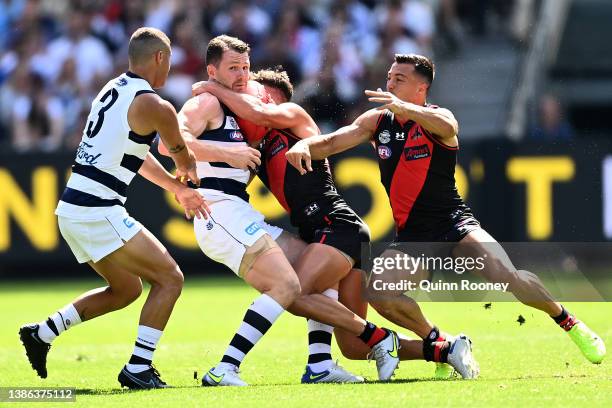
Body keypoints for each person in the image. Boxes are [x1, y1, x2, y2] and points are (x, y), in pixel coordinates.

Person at [285, 53, 606, 366]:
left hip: (455, 224)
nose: (390, 84)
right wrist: (304, 145)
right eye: (389, 78)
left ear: (420, 89)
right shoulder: (377, 122)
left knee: (508, 276)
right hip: (414, 236)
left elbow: (449, 125)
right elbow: (331, 142)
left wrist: (408, 109)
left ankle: (569, 322)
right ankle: (442, 342)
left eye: (400, 79)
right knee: (380, 293)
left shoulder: (437, 119)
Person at [159, 35, 401, 386]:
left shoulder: (272, 116)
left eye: (246, 69)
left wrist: (222, 98)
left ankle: (321, 362)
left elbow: (255, 115)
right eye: (234, 69)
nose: (243, 78)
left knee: (306, 280)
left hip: (292, 219)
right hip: (225, 214)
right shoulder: (217, 110)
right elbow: (171, 145)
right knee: (291, 288)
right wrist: (206, 168)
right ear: (213, 71)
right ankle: (240, 366)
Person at [19, 27, 209, 390]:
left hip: (72, 209)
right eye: (169, 61)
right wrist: (190, 176)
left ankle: (42, 333)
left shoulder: (113, 88)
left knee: (125, 290)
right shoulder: (155, 104)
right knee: (170, 278)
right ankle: (139, 368)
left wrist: (173, 188)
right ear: (160, 58)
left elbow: (134, 155)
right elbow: (179, 154)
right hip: (97, 209)